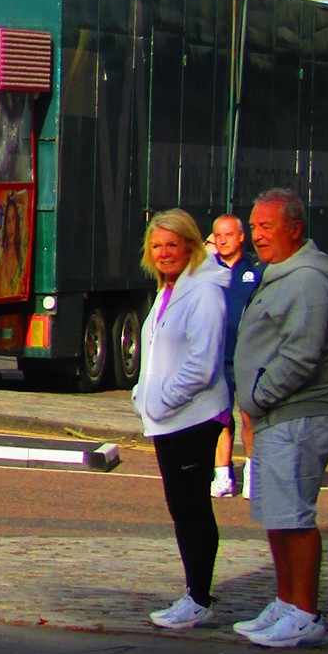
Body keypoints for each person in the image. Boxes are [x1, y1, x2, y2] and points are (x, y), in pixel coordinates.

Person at [230, 188, 328, 649]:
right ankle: (285, 601)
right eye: (254, 227)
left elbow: (300, 354)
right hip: (274, 414)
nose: (256, 236)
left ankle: (305, 613)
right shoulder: (280, 273)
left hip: (296, 414)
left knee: (294, 516)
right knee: (276, 514)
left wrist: (257, 397)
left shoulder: (306, 281)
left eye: (266, 227)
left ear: (295, 229)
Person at [132, 209, 229, 629]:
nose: (164, 253)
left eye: (172, 244)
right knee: (180, 507)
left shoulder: (205, 292)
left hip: (193, 418)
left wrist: (162, 401)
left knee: (192, 508)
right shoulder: (167, 291)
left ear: (191, 245)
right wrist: (142, 396)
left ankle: (199, 597)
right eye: (157, 246)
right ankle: (193, 593)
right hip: (167, 420)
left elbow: (201, 363)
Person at [207, 214, 264, 497]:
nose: (222, 240)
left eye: (228, 234)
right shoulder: (207, 270)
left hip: (249, 358)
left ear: (241, 236)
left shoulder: (256, 270)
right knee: (220, 419)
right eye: (217, 235)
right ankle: (223, 476)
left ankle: (252, 473)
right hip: (217, 358)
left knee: (249, 417)